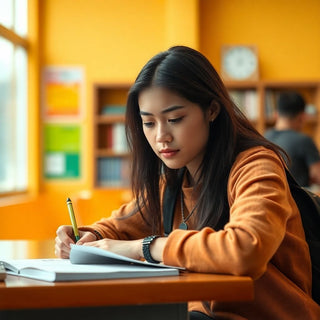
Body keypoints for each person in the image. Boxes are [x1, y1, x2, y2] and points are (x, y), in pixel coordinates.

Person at [55, 46, 320, 319]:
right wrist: (88, 236)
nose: (161, 137)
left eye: (174, 119)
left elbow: (245, 249)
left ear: (212, 110)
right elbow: (119, 226)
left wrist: (146, 247)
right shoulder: (174, 180)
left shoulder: (256, 166)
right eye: (148, 123)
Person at [265, 91, 320, 187]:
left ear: (276, 114)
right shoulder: (304, 141)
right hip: (297, 199)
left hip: (270, 197)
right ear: (302, 117)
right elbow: (317, 175)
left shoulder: (263, 137)